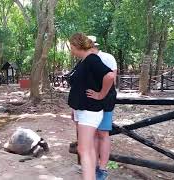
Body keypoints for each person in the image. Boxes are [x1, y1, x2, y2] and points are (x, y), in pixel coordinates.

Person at [68, 32, 114, 180]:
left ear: (77, 46)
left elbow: (110, 76)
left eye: (71, 47)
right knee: (87, 149)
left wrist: (101, 94)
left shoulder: (92, 59)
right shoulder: (84, 60)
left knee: (84, 150)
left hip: (90, 110)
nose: (71, 50)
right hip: (83, 109)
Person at [88, 36, 117, 180]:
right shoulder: (84, 60)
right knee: (92, 134)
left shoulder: (107, 58)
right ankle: (93, 165)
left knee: (103, 133)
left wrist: (100, 95)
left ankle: (103, 168)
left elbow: (112, 79)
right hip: (89, 102)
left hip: (105, 101)